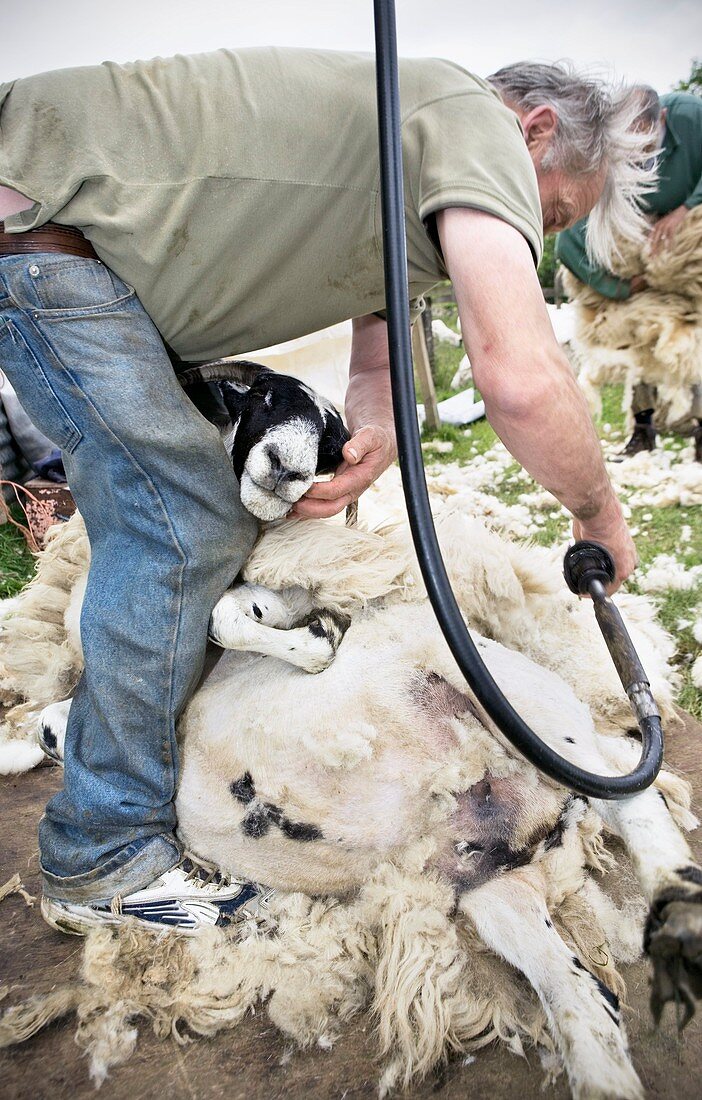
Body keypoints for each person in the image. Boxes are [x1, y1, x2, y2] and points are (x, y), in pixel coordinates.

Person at [0, 49, 646, 936]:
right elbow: (522, 379)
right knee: (176, 527)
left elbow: (377, 348)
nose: (540, 232)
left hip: (59, 240)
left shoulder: (408, 152)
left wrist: (372, 436)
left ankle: (149, 740)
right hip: (43, 240)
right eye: (555, 208)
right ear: (533, 132)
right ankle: (102, 851)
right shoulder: (474, 123)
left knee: (195, 518)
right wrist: (598, 515)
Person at [557, 87, 702, 458]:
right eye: (629, 144)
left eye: (645, 141)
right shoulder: (607, 154)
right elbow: (569, 239)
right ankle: (643, 430)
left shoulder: (690, 114)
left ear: (663, 119)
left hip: (689, 239)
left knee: (692, 328)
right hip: (636, 246)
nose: (637, 153)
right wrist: (620, 286)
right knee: (637, 330)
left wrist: (687, 208)